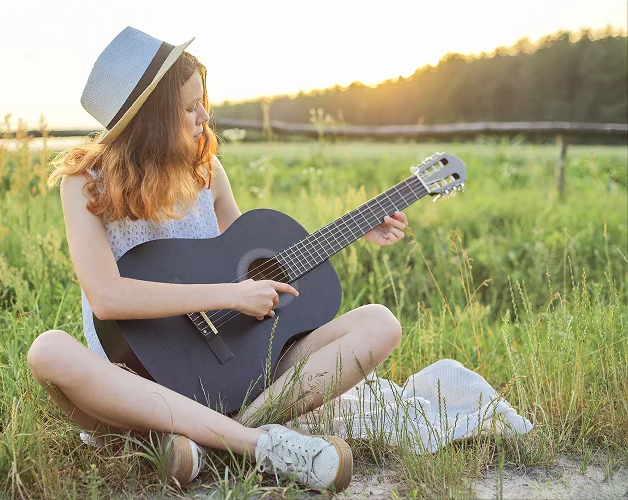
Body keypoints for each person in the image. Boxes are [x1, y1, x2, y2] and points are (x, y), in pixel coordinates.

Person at [26, 26, 407, 493]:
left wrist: (353, 227)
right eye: (189, 107)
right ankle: (257, 445)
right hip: (140, 373)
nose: (204, 116)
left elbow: (248, 257)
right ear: (150, 118)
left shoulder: (205, 169)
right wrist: (229, 294)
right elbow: (106, 297)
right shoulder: (86, 183)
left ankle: (210, 439)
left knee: (380, 323)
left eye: (202, 101)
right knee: (48, 351)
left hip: (229, 365)